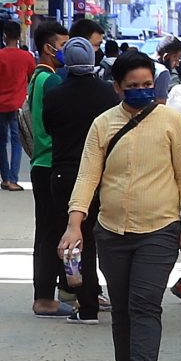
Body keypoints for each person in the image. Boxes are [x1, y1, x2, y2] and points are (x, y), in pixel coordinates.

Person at [61, 50, 181, 361]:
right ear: (117, 87)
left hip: (160, 229)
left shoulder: (171, 121)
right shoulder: (103, 125)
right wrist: (75, 222)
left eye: (146, 85)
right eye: (132, 86)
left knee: (145, 304)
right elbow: (88, 176)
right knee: (122, 307)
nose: (140, 91)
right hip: (111, 231)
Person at [41, 38, 116, 325]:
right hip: (102, 175)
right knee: (100, 238)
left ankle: (85, 305)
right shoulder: (108, 94)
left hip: (65, 174)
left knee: (74, 240)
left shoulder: (56, 95)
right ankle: (100, 296)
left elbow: (48, 128)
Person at [24, 20, 72, 315]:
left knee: (46, 231)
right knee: (52, 232)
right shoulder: (51, 80)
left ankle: (46, 294)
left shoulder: (38, 77)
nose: (67, 52)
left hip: (40, 162)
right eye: (64, 46)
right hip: (51, 161)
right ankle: (45, 298)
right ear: (48, 47)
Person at [0, 25, 38, 193]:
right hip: (18, 105)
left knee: (1, 140)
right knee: (16, 141)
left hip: (0, 104)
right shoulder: (27, 57)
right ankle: (13, 179)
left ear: (5, 36)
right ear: (19, 35)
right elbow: (31, 79)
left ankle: (5, 178)